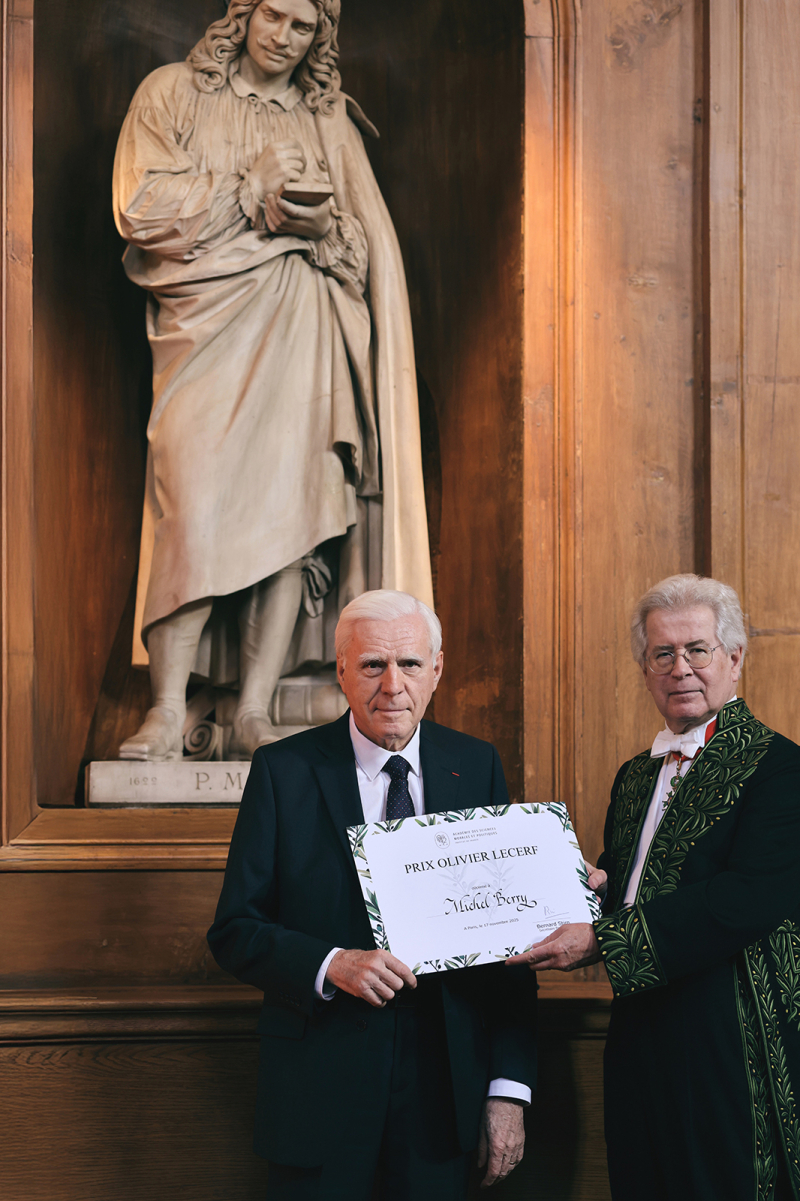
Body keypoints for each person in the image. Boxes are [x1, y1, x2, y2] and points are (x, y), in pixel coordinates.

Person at [112, 0, 431, 762]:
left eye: (303, 26)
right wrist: (247, 189)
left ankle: (256, 707)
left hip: (303, 336)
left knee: (295, 515)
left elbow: (366, 256)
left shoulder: (327, 123)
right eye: (274, 16)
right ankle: (166, 707)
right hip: (204, 335)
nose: (284, 37)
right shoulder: (172, 94)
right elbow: (140, 208)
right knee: (191, 508)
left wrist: (322, 231)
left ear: (321, 36)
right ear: (242, 12)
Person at [208, 590, 537, 1199]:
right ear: (341, 670)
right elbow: (235, 930)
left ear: (436, 669)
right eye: (371, 665)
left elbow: (507, 944)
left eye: (409, 664)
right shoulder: (283, 771)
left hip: (445, 1096)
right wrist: (332, 964)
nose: (392, 685)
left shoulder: (477, 765)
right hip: (319, 1090)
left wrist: (508, 1089)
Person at [507, 573, 800, 1201]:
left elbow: (744, 899)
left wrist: (603, 939)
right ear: (645, 670)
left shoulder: (782, 770)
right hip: (640, 1029)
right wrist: (586, 890)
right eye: (662, 654)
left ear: (734, 659)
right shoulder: (635, 776)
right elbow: (633, 878)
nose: (680, 668)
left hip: (733, 1034)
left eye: (697, 650)